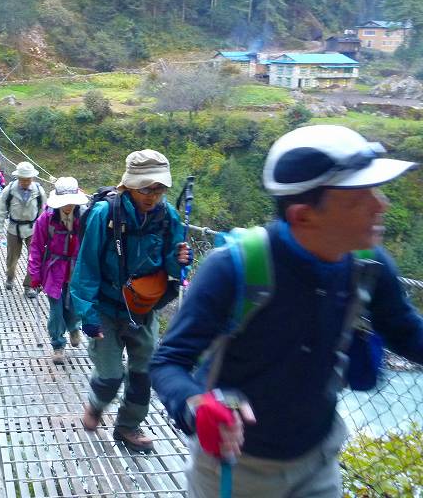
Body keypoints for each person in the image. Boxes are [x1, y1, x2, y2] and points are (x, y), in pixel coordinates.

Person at [151, 125, 423, 498]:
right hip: (235, 466)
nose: (382, 204)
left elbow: (405, 331)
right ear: (303, 215)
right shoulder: (234, 268)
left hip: (319, 459)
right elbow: (168, 361)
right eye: (360, 197)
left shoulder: (368, 264)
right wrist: (195, 406)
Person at [70, 149, 191, 452]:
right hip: (106, 307)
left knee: (143, 373)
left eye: (159, 189)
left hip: (143, 308)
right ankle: (96, 407)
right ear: (130, 185)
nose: (153, 195)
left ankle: (127, 427)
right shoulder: (105, 215)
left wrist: (180, 260)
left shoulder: (168, 216)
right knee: (110, 375)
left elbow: (171, 267)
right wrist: (88, 315)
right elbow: (86, 267)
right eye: (146, 188)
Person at [28, 177, 88, 365]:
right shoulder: (47, 218)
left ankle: (74, 327)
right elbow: (36, 246)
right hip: (54, 269)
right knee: (56, 309)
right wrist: (34, 275)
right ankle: (58, 345)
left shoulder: (85, 217)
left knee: (74, 304)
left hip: (77, 267)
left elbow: (93, 243)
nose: (68, 206)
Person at [0, 161, 46, 297]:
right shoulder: (9, 190)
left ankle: (29, 286)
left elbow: (43, 213)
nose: (25, 182)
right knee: (12, 258)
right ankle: (10, 277)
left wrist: (45, 233)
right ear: (18, 178)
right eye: (22, 179)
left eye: (27, 179)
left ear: (32, 178)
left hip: (32, 229)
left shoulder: (39, 191)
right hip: (13, 229)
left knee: (34, 258)